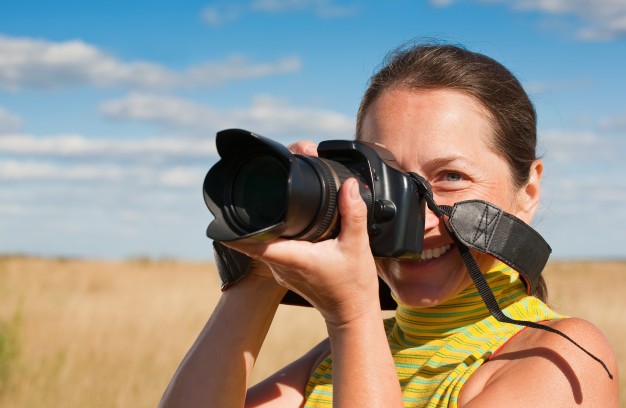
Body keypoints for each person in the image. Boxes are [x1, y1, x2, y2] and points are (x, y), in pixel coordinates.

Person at [160, 43, 619, 407]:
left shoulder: (560, 356)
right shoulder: (336, 360)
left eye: (451, 177)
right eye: (388, 180)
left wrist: (352, 316)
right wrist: (261, 270)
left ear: (529, 192)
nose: (411, 215)